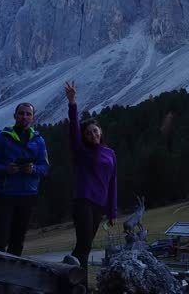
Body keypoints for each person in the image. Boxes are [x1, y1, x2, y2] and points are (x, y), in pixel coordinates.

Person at [64, 81, 117, 281]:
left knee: (83, 245)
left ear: (101, 132)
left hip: (99, 206)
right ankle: (81, 283)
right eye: (88, 133)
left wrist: (112, 212)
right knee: (84, 245)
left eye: (95, 131)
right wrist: (72, 103)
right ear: (84, 137)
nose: (93, 134)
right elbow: (73, 133)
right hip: (83, 201)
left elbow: (113, 183)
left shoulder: (110, 153)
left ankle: (66, 274)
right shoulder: (82, 152)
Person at [0, 102, 49, 256]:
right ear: (15, 116)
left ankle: (11, 275)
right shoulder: (1, 138)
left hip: (27, 195)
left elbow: (45, 167)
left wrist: (33, 170)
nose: (24, 116)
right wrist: (5, 169)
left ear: (33, 117)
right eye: (21, 113)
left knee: (18, 240)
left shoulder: (39, 140)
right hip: (5, 194)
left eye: (28, 114)